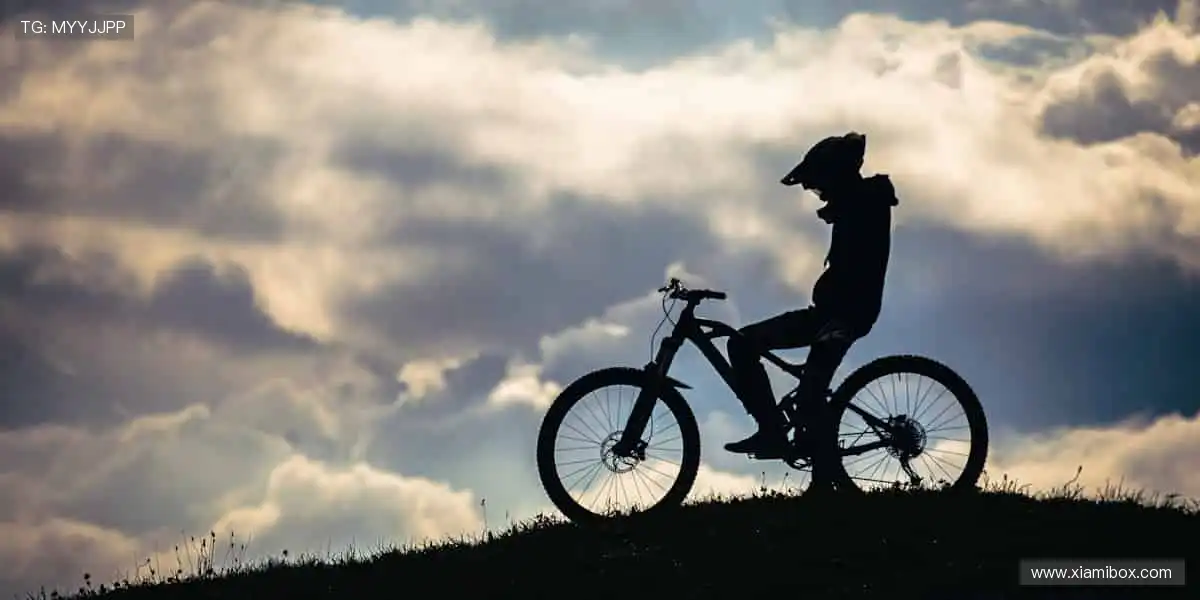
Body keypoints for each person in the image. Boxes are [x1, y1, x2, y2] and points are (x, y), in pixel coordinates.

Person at [724, 132, 899, 461]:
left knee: (809, 398)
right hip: (828, 314)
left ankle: (815, 470)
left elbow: (857, 231)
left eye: (819, 183)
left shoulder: (865, 201)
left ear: (837, 177)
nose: (818, 194)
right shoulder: (859, 201)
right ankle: (774, 432)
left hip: (844, 317)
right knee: (742, 344)